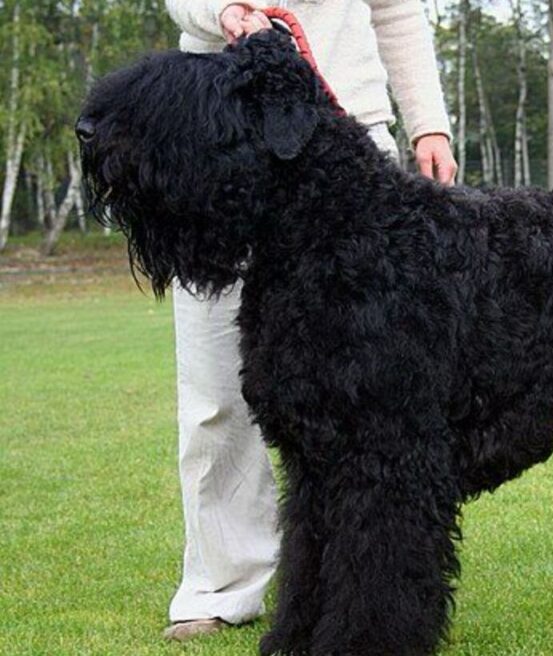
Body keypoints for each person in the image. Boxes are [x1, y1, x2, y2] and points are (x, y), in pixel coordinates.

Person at [162, 0, 457, 641]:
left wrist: (429, 121)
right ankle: (221, 584)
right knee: (217, 398)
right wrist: (224, 12)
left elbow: (398, 10)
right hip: (223, 133)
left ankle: (363, 614)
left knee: (360, 418)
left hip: (347, 126)